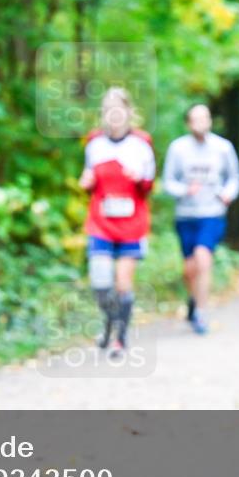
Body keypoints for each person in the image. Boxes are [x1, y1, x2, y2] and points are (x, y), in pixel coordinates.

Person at [80, 87, 155, 358]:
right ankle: (109, 321)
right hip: (101, 222)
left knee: (123, 283)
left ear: (128, 112)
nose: (113, 113)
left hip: (131, 225)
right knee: (100, 284)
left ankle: (119, 339)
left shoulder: (142, 143)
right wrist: (86, 183)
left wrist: (141, 180)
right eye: (107, 108)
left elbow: (149, 186)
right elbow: (90, 181)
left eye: (118, 108)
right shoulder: (94, 143)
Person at [162, 104, 239, 334]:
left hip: (212, 212)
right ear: (188, 123)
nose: (201, 123)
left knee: (203, 258)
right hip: (186, 214)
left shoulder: (223, 148)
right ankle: (193, 298)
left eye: (205, 118)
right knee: (189, 269)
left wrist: (228, 194)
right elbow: (168, 182)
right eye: (196, 119)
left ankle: (201, 313)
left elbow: (234, 177)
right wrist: (184, 190)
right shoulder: (177, 149)